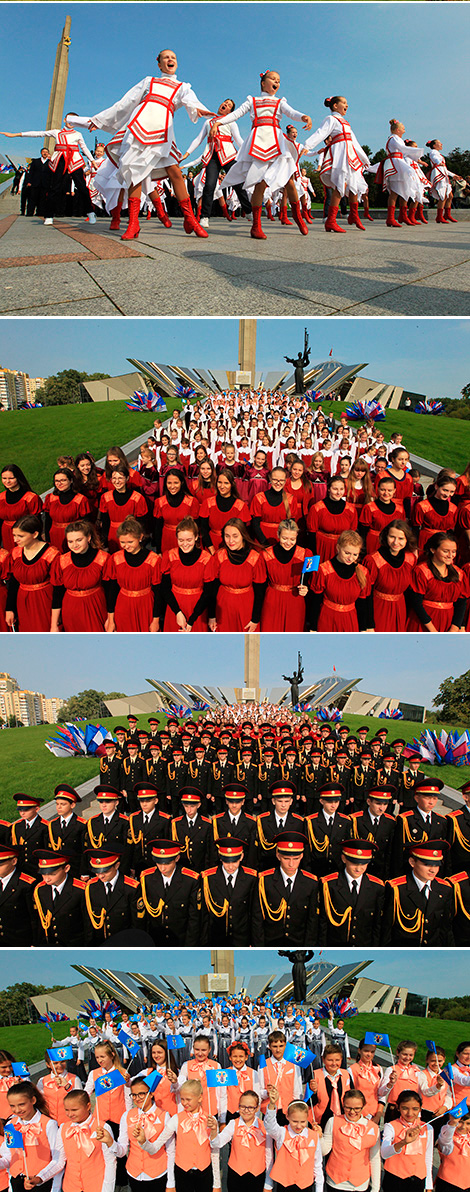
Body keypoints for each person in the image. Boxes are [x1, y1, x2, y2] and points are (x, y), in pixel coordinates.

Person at [76, 49, 213, 240]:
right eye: (166, 57)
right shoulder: (149, 81)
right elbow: (126, 102)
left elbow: (191, 101)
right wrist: (100, 120)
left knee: (175, 171)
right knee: (134, 171)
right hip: (139, 126)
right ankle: (133, 223)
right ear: (159, 64)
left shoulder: (182, 86)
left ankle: (190, 219)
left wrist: (199, 109)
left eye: (173, 57)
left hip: (164, 129)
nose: (170, 59)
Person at [211, 70, 312, 239]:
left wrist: (303, 117)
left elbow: (291, 112)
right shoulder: (253, 100)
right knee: (260, 183)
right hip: (258, 141)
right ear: (263, 83)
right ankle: (256, 225)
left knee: (289, 181)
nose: (276, 82)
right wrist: (219, 121)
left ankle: (297, 216)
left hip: (276, 141)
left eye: (279, 80)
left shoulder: (280, 101)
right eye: (273, 78)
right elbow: (236, 114)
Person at [1, 113, 97, 225]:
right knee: (55, 188)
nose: (71, 122)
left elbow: (84, 148)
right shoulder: (57, 132)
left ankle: (90, 212)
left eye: (75, 120)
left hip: (74, 161)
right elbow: (39, 133)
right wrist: (16, 135)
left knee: (82, 187)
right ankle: (49, 215)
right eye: (69, 119)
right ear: (65, 120)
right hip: (60, 161)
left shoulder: (78, 134)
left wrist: (92, 160)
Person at [303, 96, 370, 233]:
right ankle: (331, 221)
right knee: (340, 185)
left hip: (349, 153)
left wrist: (364, 158)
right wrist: (308, 145)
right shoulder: (331, 119)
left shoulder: (346, 122)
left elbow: (354, 141)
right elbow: (321, 133)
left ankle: (354, 215)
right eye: (344, 103)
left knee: (354, 186)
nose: (347, 105)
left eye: (347, 103)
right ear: (334, 106)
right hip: (340, 153)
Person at [383, 840, 454, 947]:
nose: (432, 870)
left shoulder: (444, 889)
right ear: (412, 862)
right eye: (426, 864)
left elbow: (445, 929)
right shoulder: (397, 889)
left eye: (437, 865)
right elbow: (386, 930)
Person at [318, 840, 385, 945]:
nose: (358, 868)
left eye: (364, 863)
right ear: (344, 859)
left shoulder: (377, 887)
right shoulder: (329, 885)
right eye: (354, 863)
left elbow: (377, 925)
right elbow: (322, 923)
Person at [50, 520, 111, 633]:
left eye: (79, 540)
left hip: (95, 608)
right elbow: (57, 594)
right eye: (70, 541)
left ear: (88, 538)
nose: (75, 545)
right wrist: (54, 625)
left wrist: (110, 619)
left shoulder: (103, 558)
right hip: (71, 610)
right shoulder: (61, 561)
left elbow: (110, 592)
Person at [208, 519, 267, 633]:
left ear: (243, 536)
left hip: (246, 610)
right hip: (223, 610)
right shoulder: (219, 556)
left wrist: (255, 619)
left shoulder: (255, 558)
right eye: (227, 536)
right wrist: (212, 616)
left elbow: (260, 593)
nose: (231, 541)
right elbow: (212, 589)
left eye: (235, 536)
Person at [139, 839, 201, 946]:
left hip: (180, 940)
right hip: (155, 940)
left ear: (177, 858)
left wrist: (189, 946)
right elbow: (143, 918)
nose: (162, 867)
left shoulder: (190, 880)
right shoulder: (147, 879)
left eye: (167, 863)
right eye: (158, 863)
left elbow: (194, 919)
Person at [104, 516, 160, 632]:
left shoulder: (154, 559)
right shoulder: (116, 558)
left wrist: (156, 620)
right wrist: (110, 619)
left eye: (130, 542)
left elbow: (159, 592)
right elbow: (112, 590)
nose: (126, 546)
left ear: (140, 537)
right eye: (122, 542)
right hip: (123, 606)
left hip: (146, 606)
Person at [55, 1087, 117, 1192]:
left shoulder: (103, 1127)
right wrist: (41, 1177)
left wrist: (107, 1189)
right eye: (66, 1110)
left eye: (74, 1110)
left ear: (88, 1106)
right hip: (71, 1186)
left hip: (96, 1185)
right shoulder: (63, 1128)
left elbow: (110, 1161)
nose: (70, 1114)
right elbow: (59, 1160)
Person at [264, 1085, 323, 1191]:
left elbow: (317, 1163)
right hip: (284, 1185)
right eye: (294, 1121)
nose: (299, 1126)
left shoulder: (314, 1136)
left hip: (305, 1185)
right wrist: (272, 1105)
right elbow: (269, 1125)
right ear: (287, 1117)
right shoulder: (282, 1132)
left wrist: (319, 1188)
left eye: (303, 1122)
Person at [310, 530, 371, 632]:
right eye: (347, 553)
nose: (350, 558)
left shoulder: (363, 572)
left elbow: (362, 605)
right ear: (338, 548)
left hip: (350, 621)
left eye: (355, 554)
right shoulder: (324, 570)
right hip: (327, 620)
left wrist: (363, 629)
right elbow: (315, 601)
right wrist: (313, 628)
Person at [321, 1088, 381, 1192]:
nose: (352, 1112)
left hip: (360, 1184)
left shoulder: (373, 1128)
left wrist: (375, 1188)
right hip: (335, 1181)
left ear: (363, 1106)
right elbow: (324, 1151)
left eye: (357, 1108)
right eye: (348, 1108)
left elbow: (375, 1158)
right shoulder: (332, 1121)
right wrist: (319, 1137)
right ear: (343, 1105)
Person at [5, 515, 58, 632]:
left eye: (20, 536)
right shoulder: (16, 553)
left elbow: (58, 588)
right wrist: (10, 608)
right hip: (23, 602)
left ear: (35, 534)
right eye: (14, 535)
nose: (15, 540)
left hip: (44, 602)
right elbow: (13, 583)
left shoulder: (52, 554)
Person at [160, 516, 212, 631]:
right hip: (175, 607)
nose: (185, 544)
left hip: (198, 610)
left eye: (189, 540)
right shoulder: (169, 556)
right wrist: (177, 612)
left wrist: (192, 619)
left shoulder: (206, 559)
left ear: (196, 537)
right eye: (181, 540)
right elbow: (164, 588)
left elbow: (208, 593)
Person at [363, 521, 417, 633]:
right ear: (386, 536)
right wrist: (369, 624)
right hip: (378, 609)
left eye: (401, 538)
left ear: (407, 540)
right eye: (392, 537)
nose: (396, 542)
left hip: (400, 609)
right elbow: (367, 594)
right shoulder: (373, 560)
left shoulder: (410, 559)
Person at [209, 1090, 268, 1192]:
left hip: (257, 1175)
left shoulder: (264, 1127)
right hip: (236, 1175)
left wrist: (268, 1184)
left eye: (250, 1107)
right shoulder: (233, 1124)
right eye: (242, 1106)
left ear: (257, 1108)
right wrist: (214, 1130)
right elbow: (217, 1143)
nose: (246, 1110)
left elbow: (269, 1155)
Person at [406, 532, 465, 632]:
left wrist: (454, 628)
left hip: (448, 623)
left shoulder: (459, 573)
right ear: (433, 550)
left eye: (454, 551)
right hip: (424, 623)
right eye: (446, 551)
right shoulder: (422, 571)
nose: (450, 555)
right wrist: (433, 631)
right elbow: (416, 603)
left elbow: (461, 603)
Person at [260, 519, 313, 631]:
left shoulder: (306, 554)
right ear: (278, 534)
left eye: (292, 539)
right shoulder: (266, 554)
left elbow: (308, 580)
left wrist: (305, 589)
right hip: (272, 601)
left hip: (295, 601)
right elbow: (261, 584)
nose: (288, 542)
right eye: (284, 538)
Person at [380, 1090, 433, 1192]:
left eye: (415, 1109)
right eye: (405, 1108)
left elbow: (428, 1157)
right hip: (395, 1179)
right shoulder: (391, 1126)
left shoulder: (428, 1128)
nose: (410, 1113)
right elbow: (384, 1153)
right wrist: (403, 1142)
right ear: (398, 1108)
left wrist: (429, 1185)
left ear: (420, 1109)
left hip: (418, 1179)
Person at [383, 120, 426, 228]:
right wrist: (418, 151)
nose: (404, 130)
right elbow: (404, 150)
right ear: (397, 130)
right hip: (395, 163)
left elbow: (404, 151)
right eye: (403, 128)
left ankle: (403, 216)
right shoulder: (393, 139)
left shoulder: (397, 139)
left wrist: (418, 159)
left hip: (399, 163)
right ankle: (391, 218)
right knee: (394, 192)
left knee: (404, 190)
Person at [98, 465, 149, 553]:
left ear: (127, 478)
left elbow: (142, 523)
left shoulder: (137, 498)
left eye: (120, 478)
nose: (117, 481)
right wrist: (105, 543)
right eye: (114, 478)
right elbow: (105, 522)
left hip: (131, 536)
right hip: (113, 537)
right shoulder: (106, 497)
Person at [307, 476, 358, 562]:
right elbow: (311, 534)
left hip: (343, 549)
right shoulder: (317, 508)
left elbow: (352, 533)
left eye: (341, 489)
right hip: (322, 548)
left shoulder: (351, 509)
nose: (338, 492)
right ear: (329, 489)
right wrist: (314, 556)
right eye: (335, 489)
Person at [199, 469, 250, 552]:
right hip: (211, 545)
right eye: (219, 482)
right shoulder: (208, 503)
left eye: (226, 483)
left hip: (232, 546)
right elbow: (203, 529)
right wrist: (211, 548)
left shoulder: (241, 506)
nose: (222, 486)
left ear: (232, 485)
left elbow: (242, 532)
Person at [43, 469, 92, 551]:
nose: (59, 483)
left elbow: (86, 523)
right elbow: (47, 520)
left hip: (74, 536)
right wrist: (47, 539)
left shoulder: (80, 499)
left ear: (71, 480)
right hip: (54, 535)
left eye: (63, 480)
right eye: (57, 481)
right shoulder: (50, 498)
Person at [251, 467, 300, 547]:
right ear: (270, 478)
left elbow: (291, 524)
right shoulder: (259, 498)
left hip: (282, 542)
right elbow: (255, 524)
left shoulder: (291, 499)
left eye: (281, 480)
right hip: (262, 541)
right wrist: (264, 543)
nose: (278, 483)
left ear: (285, 480)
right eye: (275, 480)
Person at [154, 469, 199, 553]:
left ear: (181, 483)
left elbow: (196, 527)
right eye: (169, 483)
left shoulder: (192, 502)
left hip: (186, 541)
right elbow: (157, 529)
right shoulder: (160, 502)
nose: (172, 486)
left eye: (176, 483)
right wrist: (159, 551)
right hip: (166, 541)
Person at [0, 465, 42, 551]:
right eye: (4, 478)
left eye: (11, 478)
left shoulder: (31, 498)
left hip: (24, 534)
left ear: (18, 478)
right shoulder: (1, 497)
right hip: (6, 534)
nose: (7, 481)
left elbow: (37, 522)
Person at [413, 471, 458, 551]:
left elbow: (451, 530)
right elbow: (415, 528)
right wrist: (414, 547)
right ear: (436, 487)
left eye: (452, 492)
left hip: (444, 543)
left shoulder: (453, 508)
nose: (448, 495)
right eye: (445, 490)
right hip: (425, 541)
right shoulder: (423, 506)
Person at [426, 139, 462, 224]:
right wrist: (438, 162)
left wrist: (453, 175)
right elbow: (435, 159)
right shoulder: (433, 152)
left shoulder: (439, 154)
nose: (441, 144)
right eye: (439, 143)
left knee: (450, 196)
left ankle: (447, 214)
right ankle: (439, 216)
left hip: (443, 174)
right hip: (439, 174)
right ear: (434, 145)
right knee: (443, 196)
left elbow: (444, 168)